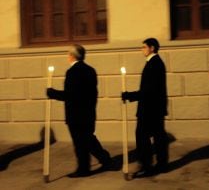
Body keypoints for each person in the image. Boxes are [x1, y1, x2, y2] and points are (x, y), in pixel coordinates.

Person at [47, 44, 113, 178]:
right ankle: (105, 159)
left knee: (80, 143)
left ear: (71, 56)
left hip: (76, 114)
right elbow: (92, 93)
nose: (67, 56)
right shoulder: (90, 70)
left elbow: (71, 95)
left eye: (68, 54)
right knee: (88, 139)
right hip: (88, 112)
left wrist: (52, 93)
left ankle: (84, 169)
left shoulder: (72, 72)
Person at [121, 38, 168, 178]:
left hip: (150, 109)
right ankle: (161, 164)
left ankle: (146, 165)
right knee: (158, 136)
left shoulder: (154, 64)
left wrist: (129, 95)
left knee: (143, 137)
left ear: (152, 48)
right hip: (154, 107)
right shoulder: (155, 63)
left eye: (144, 47)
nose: (142, 49)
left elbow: (149, 90)